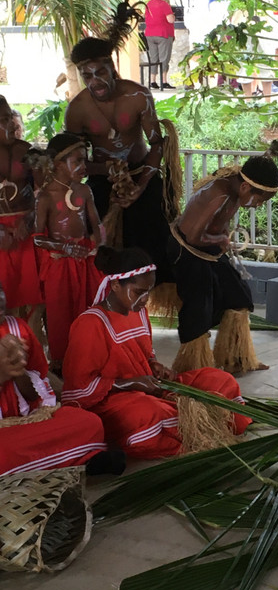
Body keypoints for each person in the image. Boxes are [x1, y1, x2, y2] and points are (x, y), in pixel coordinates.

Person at [61, 247, 251, 459]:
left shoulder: (139, 312)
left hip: (150, 388)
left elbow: (145, 355)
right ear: (115, 285)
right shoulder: (90, 323)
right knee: (148, 413)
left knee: (219, 380)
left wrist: (155, 366)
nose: (145, 299)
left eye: (148, 291)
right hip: (113, 401)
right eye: (139, 292)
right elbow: (78, 389)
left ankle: (195, 426)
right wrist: (131, 383)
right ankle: (197, 428)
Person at [65, 37, 178, 283]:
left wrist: (141, 185)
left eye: (100, 72)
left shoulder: (138, 95)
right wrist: (105, 169)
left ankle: (153, 289)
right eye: (87, 76)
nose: (94, 82)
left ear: (112, 67)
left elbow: (157, 143)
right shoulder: (76, 110)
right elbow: (73, 162)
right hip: (101, 182)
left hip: (142, 176)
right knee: (103, 250)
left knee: (156, 240)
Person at [167, 155, 278, 374]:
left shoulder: (236, 187)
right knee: (199, 306)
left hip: (207, 249)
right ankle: (194, 367)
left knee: (239, 296)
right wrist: (220, 240)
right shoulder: (218, 194)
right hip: (185, 250)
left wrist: (222, 235)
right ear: (247, 187)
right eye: (259, 200)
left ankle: (236, 358)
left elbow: (219, 222)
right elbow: (192, 237)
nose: (258, 206)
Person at [0, 282, 115, 476]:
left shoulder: (17, 328)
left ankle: (43, 466)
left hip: (26, 424)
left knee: (89, 422)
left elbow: (34, 397)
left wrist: (18, 371)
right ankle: (80, 460)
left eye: (0, 290)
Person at [33, 133, 104, 373]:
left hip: (85, 260)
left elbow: (96, 224)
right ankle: (61, 364)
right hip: (59, 264)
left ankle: (87, 357)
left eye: (85, 161)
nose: (84, 167)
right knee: (60, 314)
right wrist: (63, 248)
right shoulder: (45, 197)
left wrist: (97, 243)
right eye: (78, 161)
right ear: (58, 164)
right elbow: (38, 238)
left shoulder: (84, 191)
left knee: (88, 309)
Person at [0, 94, 42, 312]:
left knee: (31, 299)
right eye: (2, 120)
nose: (9, 125)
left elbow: (45, 191)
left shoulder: (26, 150)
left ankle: (31, 340)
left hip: (25, 230)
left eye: (9, 118)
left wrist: (31, 217)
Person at [144, 0, 176, 90]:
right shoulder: (164, 4)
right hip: (163, 33)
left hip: (149, 34)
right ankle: (164, 81)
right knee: (164, 58)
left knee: (153, 58)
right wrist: (173, 16)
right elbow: (170, 19)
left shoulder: (148, 4)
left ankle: (152, 81)